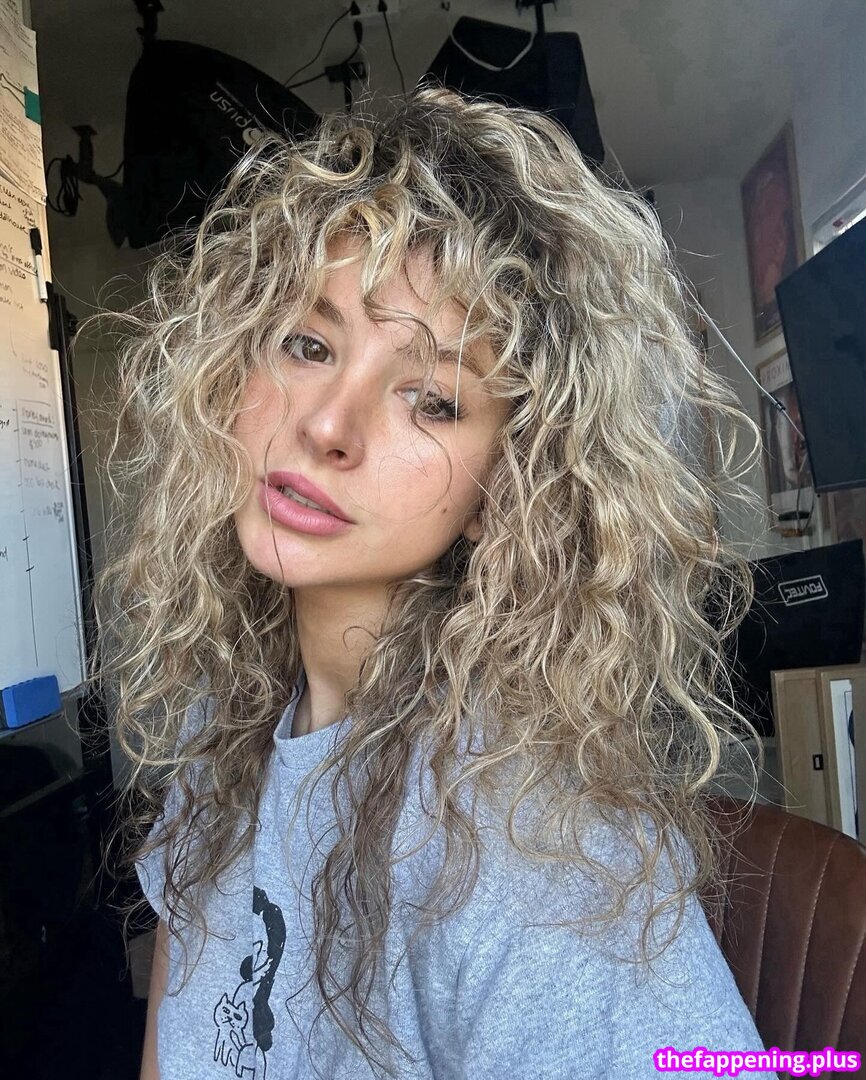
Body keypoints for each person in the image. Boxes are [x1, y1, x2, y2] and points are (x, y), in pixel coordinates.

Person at [90, 86, 774, 1079]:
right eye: (309, 344)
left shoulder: (535, 857)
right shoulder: (225, 736)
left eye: (432, 399)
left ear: (511, 482)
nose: (328, 424)